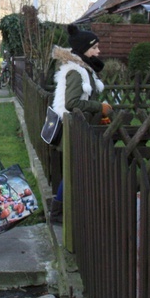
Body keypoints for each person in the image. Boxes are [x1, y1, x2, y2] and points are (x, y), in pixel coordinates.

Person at [49, 25, 113, 223]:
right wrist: (99, 107)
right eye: (94, 48)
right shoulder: (76, 72)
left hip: (77, 127)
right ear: (84, 49)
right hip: (73, 129)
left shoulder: (82, 69)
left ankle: (62, 209)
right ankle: (58, 212)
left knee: (74, 170)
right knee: (73, 171)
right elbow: (72, 103)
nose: (98, 52)